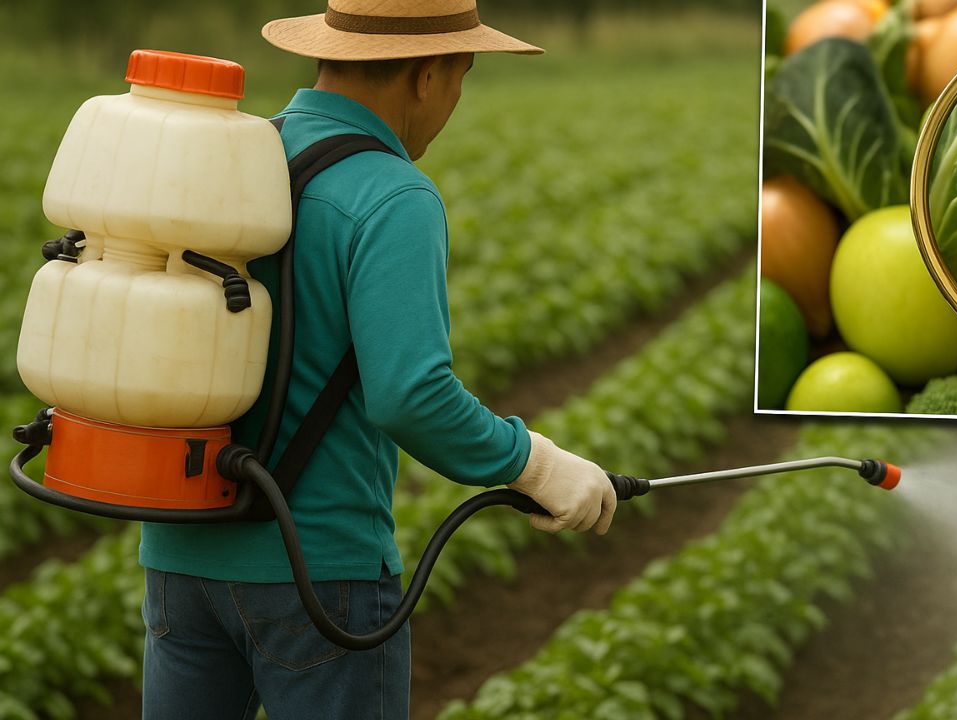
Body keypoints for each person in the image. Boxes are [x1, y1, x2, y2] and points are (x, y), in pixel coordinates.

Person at [137, 2, 617, 718]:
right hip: (320, 577)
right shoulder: (392, 194)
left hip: (179, 556)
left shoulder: (234, 157)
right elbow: (411, 395)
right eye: (462, 76)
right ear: (427, 77)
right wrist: (539, 467)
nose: (454, 100)